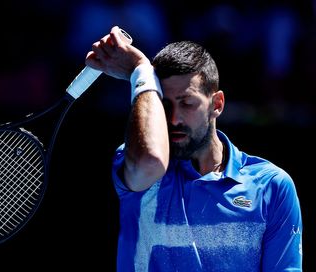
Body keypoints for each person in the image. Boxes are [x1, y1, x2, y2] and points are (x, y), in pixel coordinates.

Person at [85, 26, 303, 271]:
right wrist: (141, 70)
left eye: (187, 103)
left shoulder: (272, 186)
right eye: (164, 105)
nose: (174, 119)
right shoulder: (134, 162)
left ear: (217, 104)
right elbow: (149, 161)